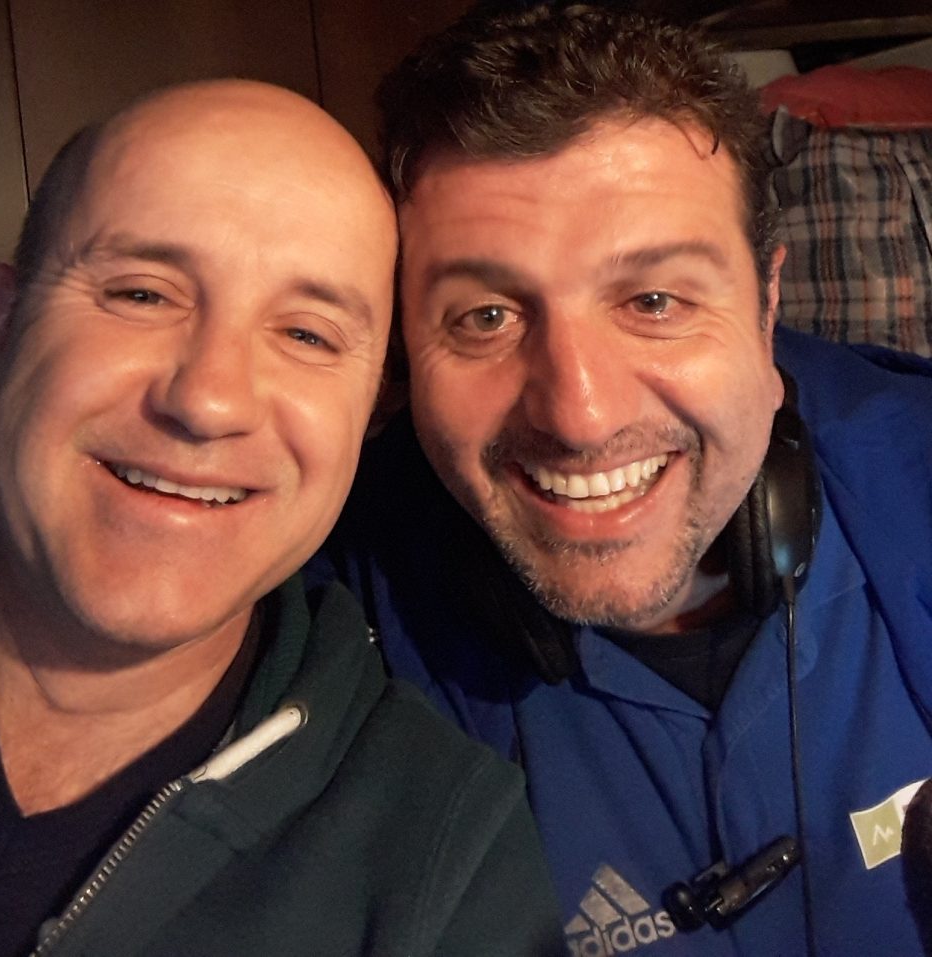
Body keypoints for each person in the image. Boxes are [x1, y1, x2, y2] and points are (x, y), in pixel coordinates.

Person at [309, 4, 932, 954]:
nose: (581, 415)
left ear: (766, 307)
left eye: (654, 299)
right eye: (484, 317)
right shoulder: (324, 625)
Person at [0, 79, 565, 956]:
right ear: (2, 329)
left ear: (369, 415)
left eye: (307, 335)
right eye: (142, 294)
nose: (209, 399)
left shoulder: (449, 858)